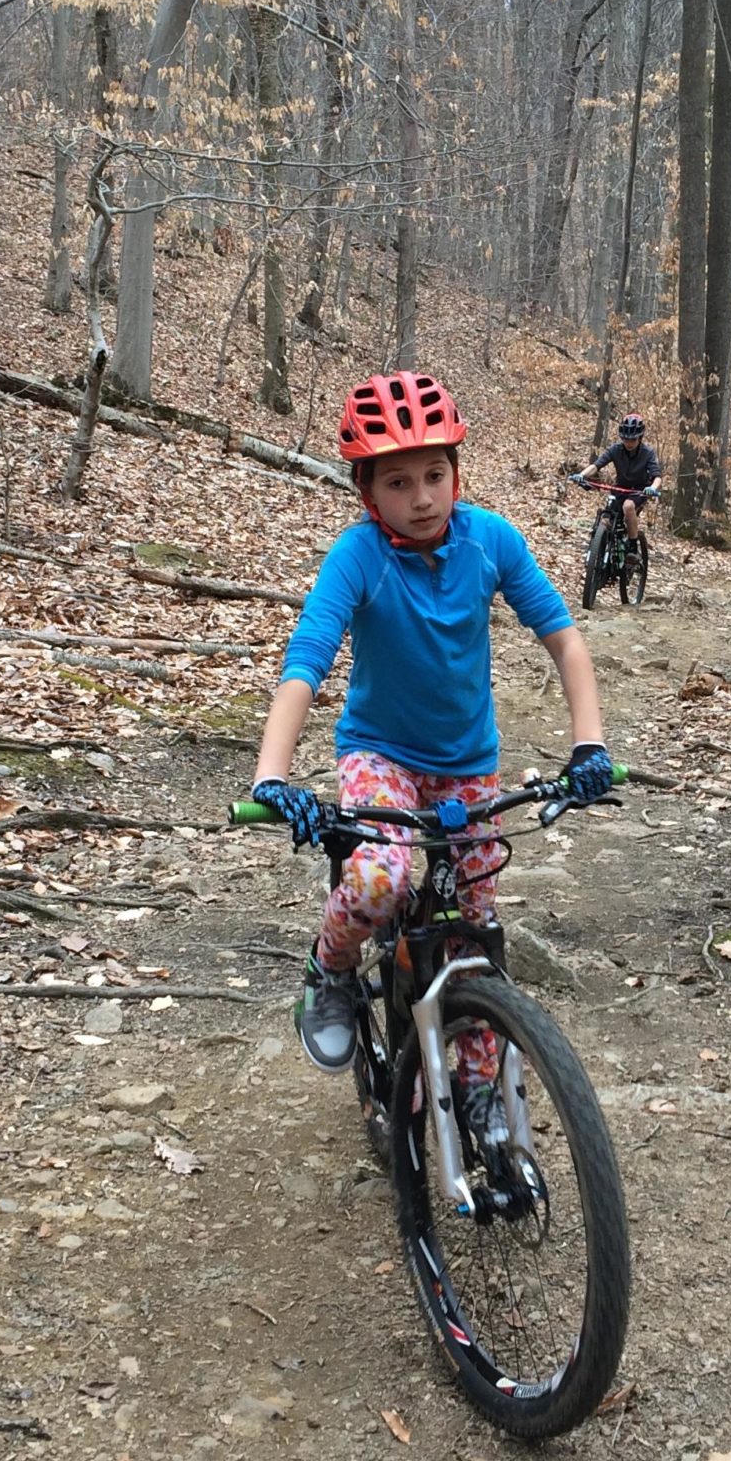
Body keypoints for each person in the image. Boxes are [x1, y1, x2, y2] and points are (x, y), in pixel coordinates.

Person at [247, 372, 614, 1071]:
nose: (421, 498)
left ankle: (481, 1100)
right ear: (366, 491)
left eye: (435, 474)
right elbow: (306, 664)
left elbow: (564, 638)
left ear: (456, 472)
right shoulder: (359, 556)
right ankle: (329, 968)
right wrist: (272, 777)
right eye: (396, 482)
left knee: (474, 938)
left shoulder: (490, 541)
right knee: (381, 878)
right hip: (379, 754)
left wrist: (589, 744)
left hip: (468, 764)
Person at [579, 413, 661, 543]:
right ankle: (600, 549)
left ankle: (633, 547)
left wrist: (652, 488)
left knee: (628, 507)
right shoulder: (615, 449)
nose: (628, 443)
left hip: (638, 491)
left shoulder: (648, 453)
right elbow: (596, 466)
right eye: (625, 439)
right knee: (606, 517)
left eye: (633, 440)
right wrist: (581, 475)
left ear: (640, 438)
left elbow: (657, 476)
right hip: (619, 489)